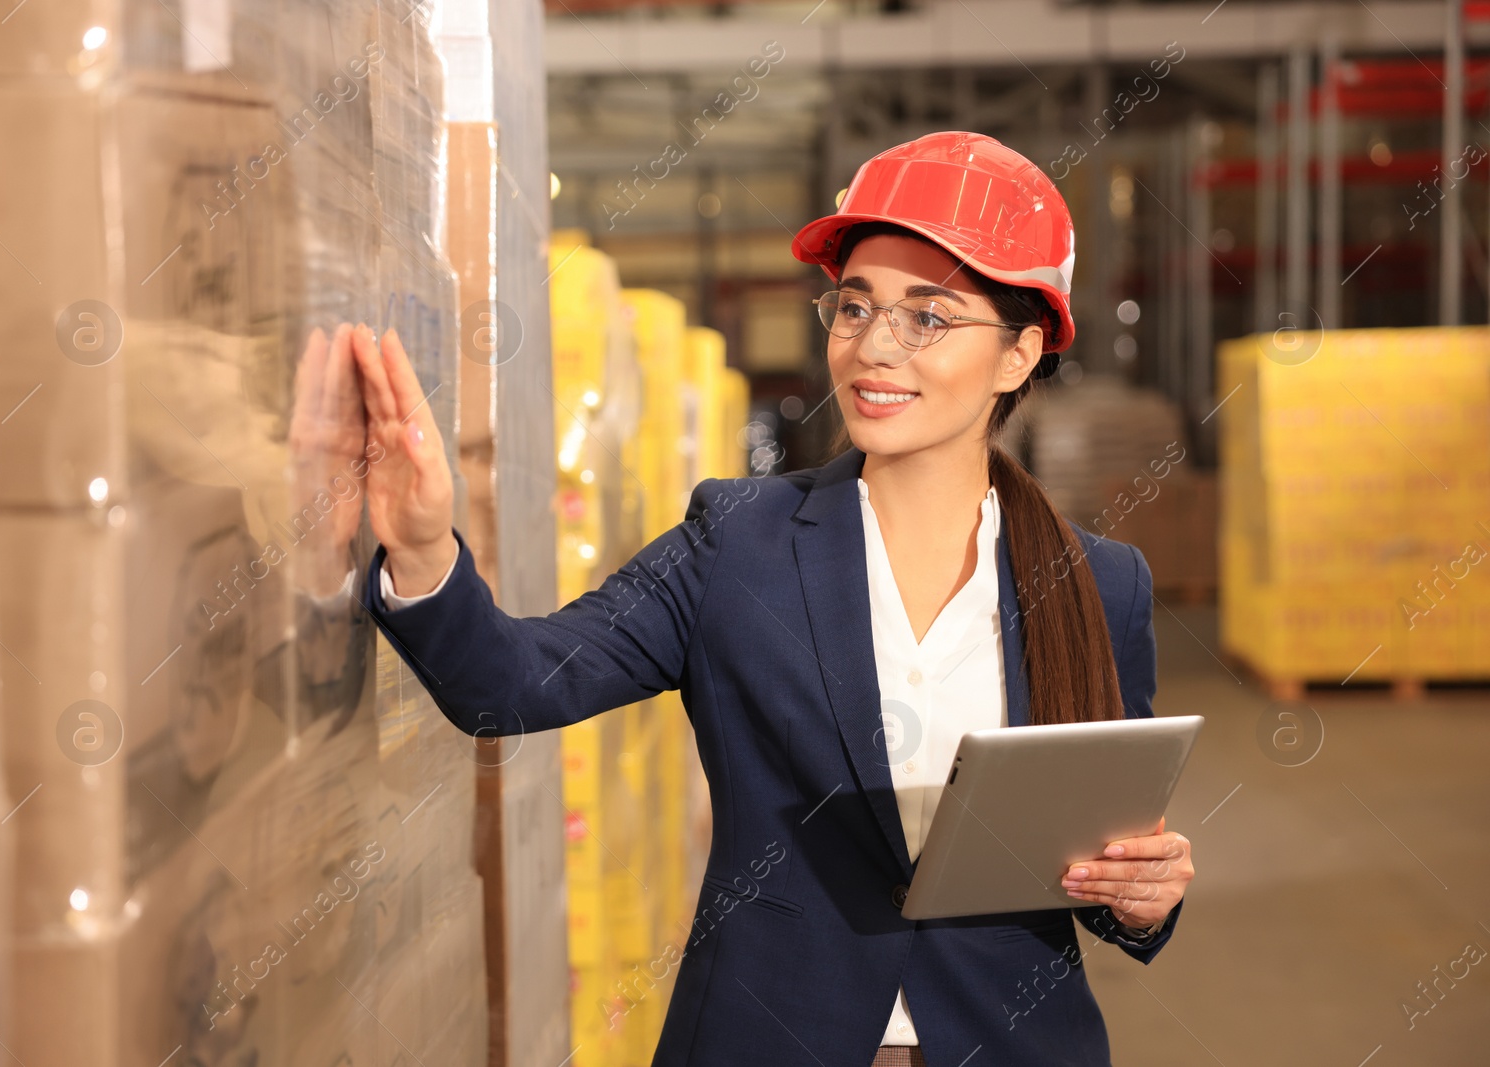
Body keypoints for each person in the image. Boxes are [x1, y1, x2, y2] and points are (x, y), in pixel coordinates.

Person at [345, 131, 1195, 1067]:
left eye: (928, 318)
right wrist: (423, 546)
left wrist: (1146, 893)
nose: (874, 347)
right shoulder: (736, 545)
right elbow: (509, 683)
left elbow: (1108, 852)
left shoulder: (1099, 585)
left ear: (1018, 353)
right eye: (856, 306)